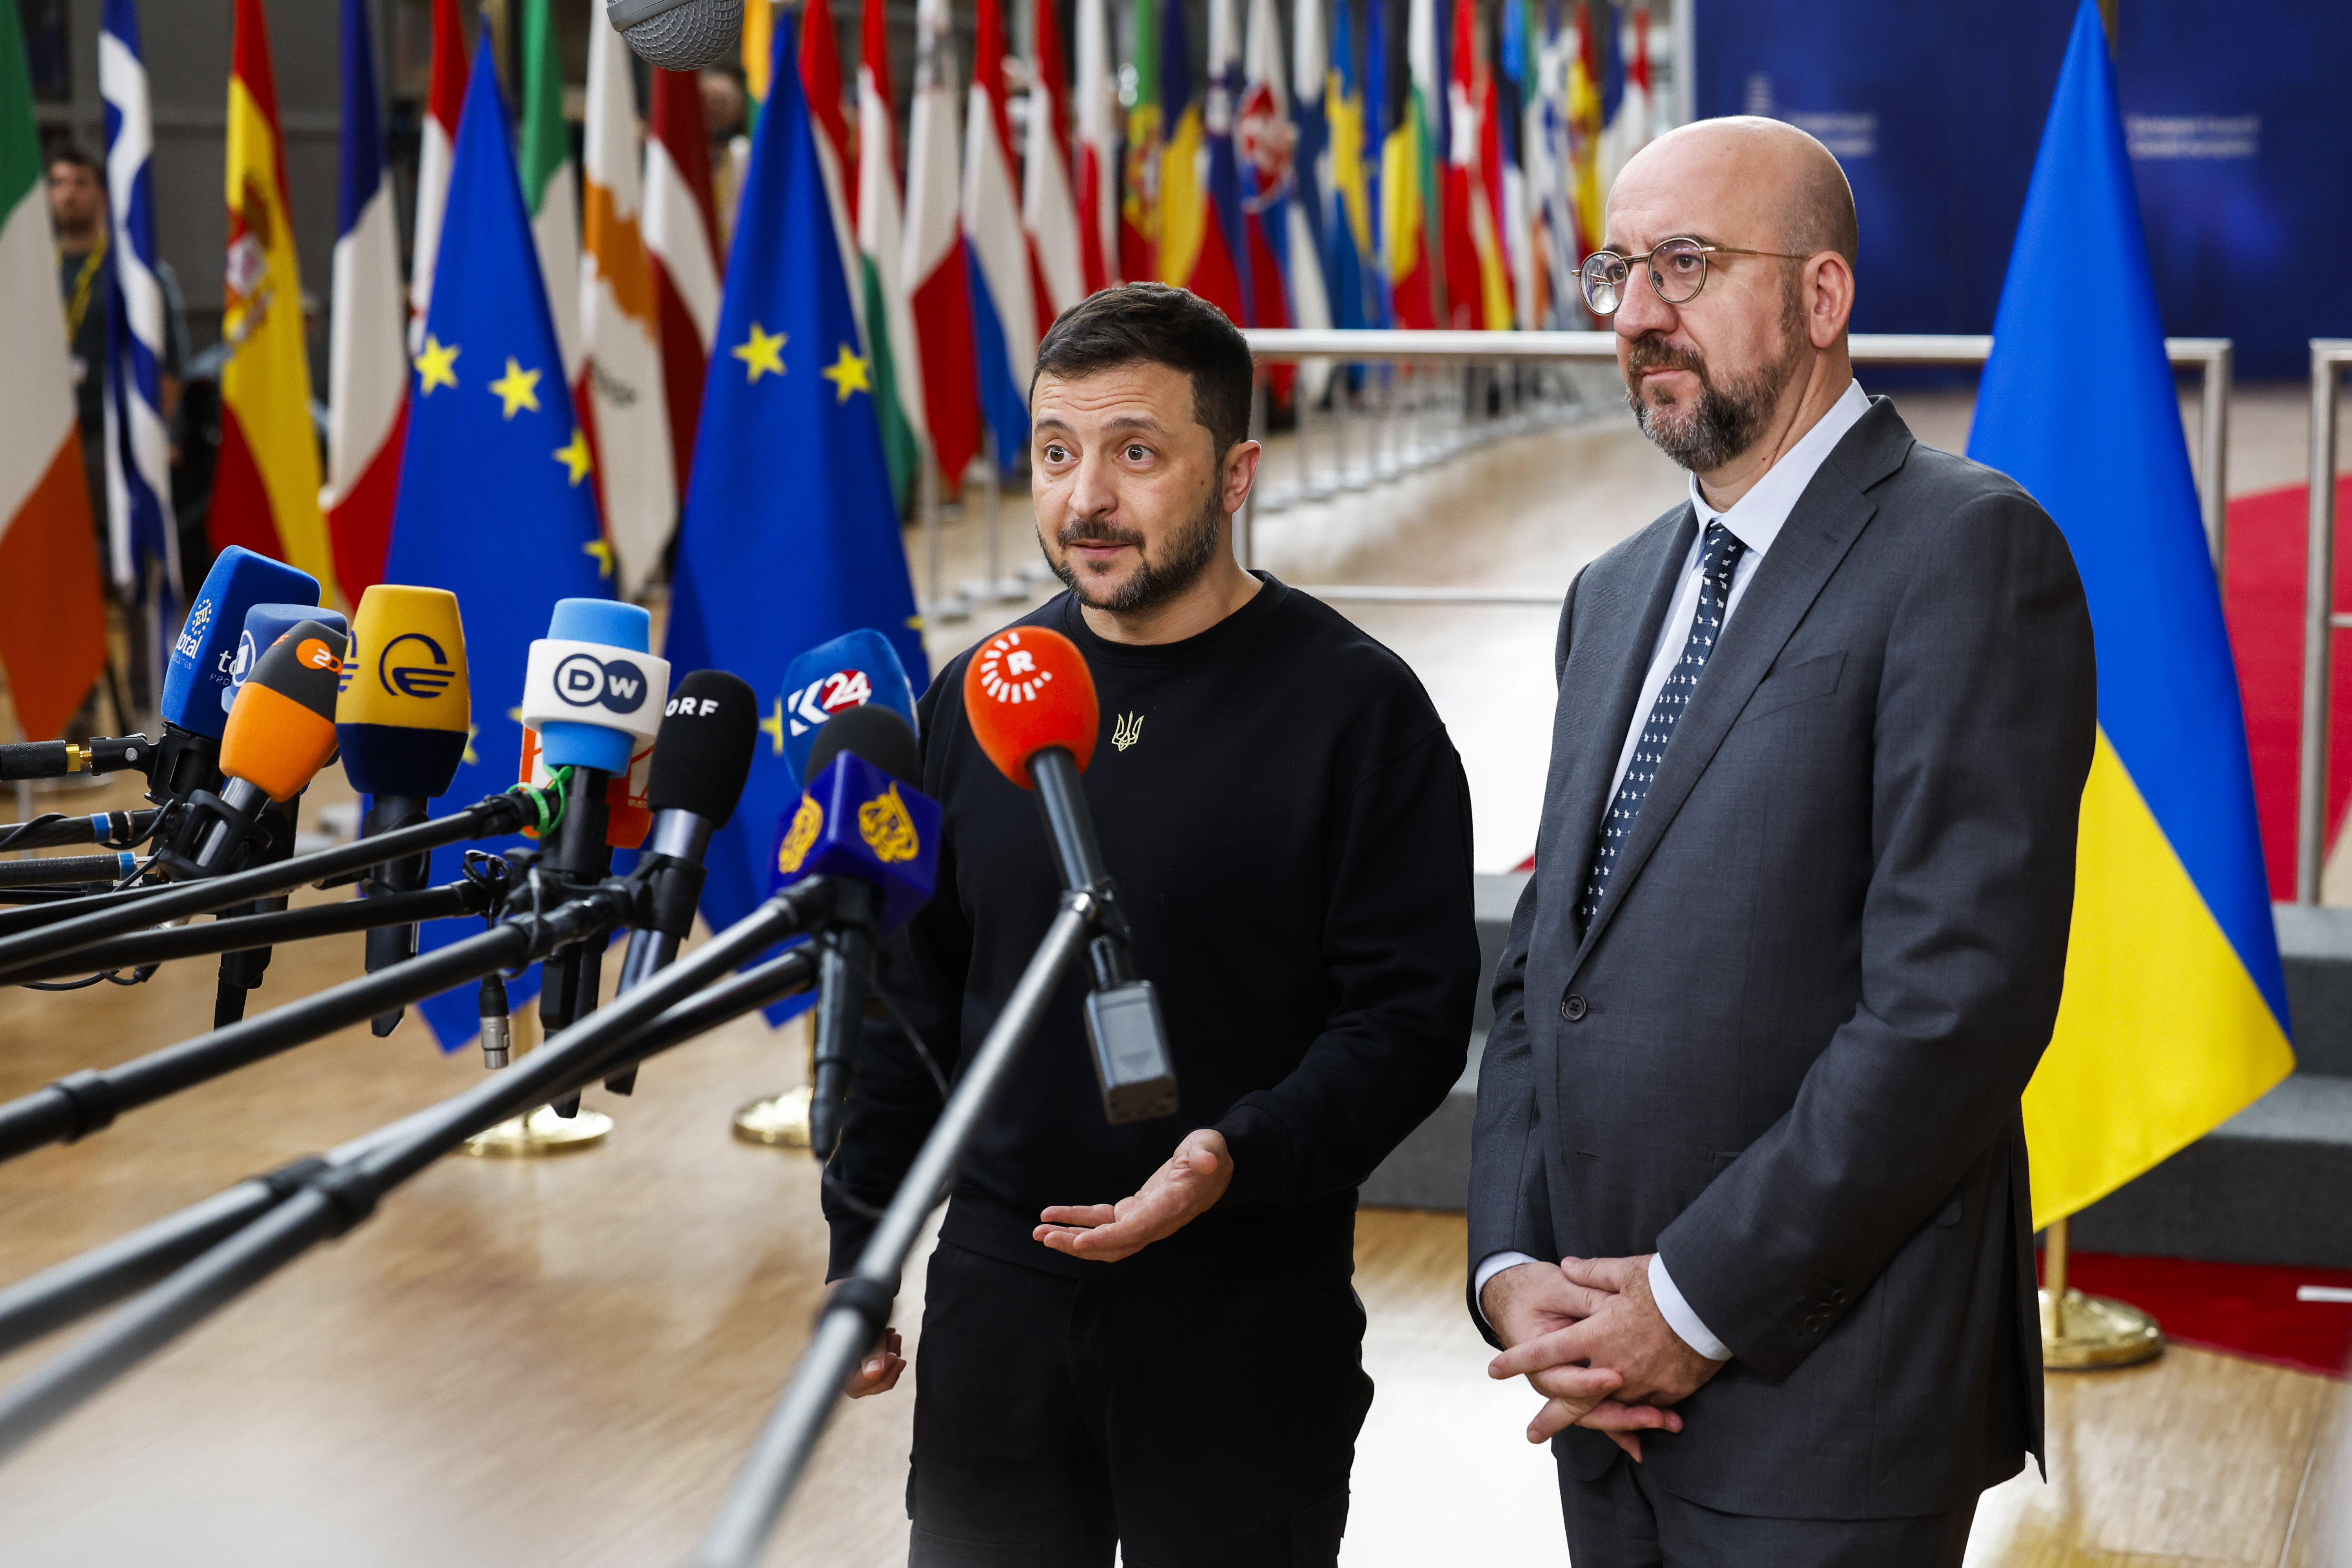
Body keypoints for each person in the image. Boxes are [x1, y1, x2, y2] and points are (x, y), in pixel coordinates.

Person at [1467, 117, 2096, 1566]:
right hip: (1598, 1394)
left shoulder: (1967, 551)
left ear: (1823, 300)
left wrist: (1688, 1306)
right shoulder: (1612, 593)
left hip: (1828, 1398)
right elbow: (1543, 968)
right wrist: (1512, 1266)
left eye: (1685, 264)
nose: (1635, 314)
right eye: (1617, 270)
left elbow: (1954, 1010)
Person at [825, 282, 1481, 1567]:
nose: (1086, 500)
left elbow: (1407, 1021)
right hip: (1002, 1297)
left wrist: (1227, 1158)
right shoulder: (979, 694)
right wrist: (862, 1255)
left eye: (1136, 453)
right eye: (1057, 454)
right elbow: (914, 998)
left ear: (1235, 473)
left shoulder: (1359, 712)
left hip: (1241, 1303)